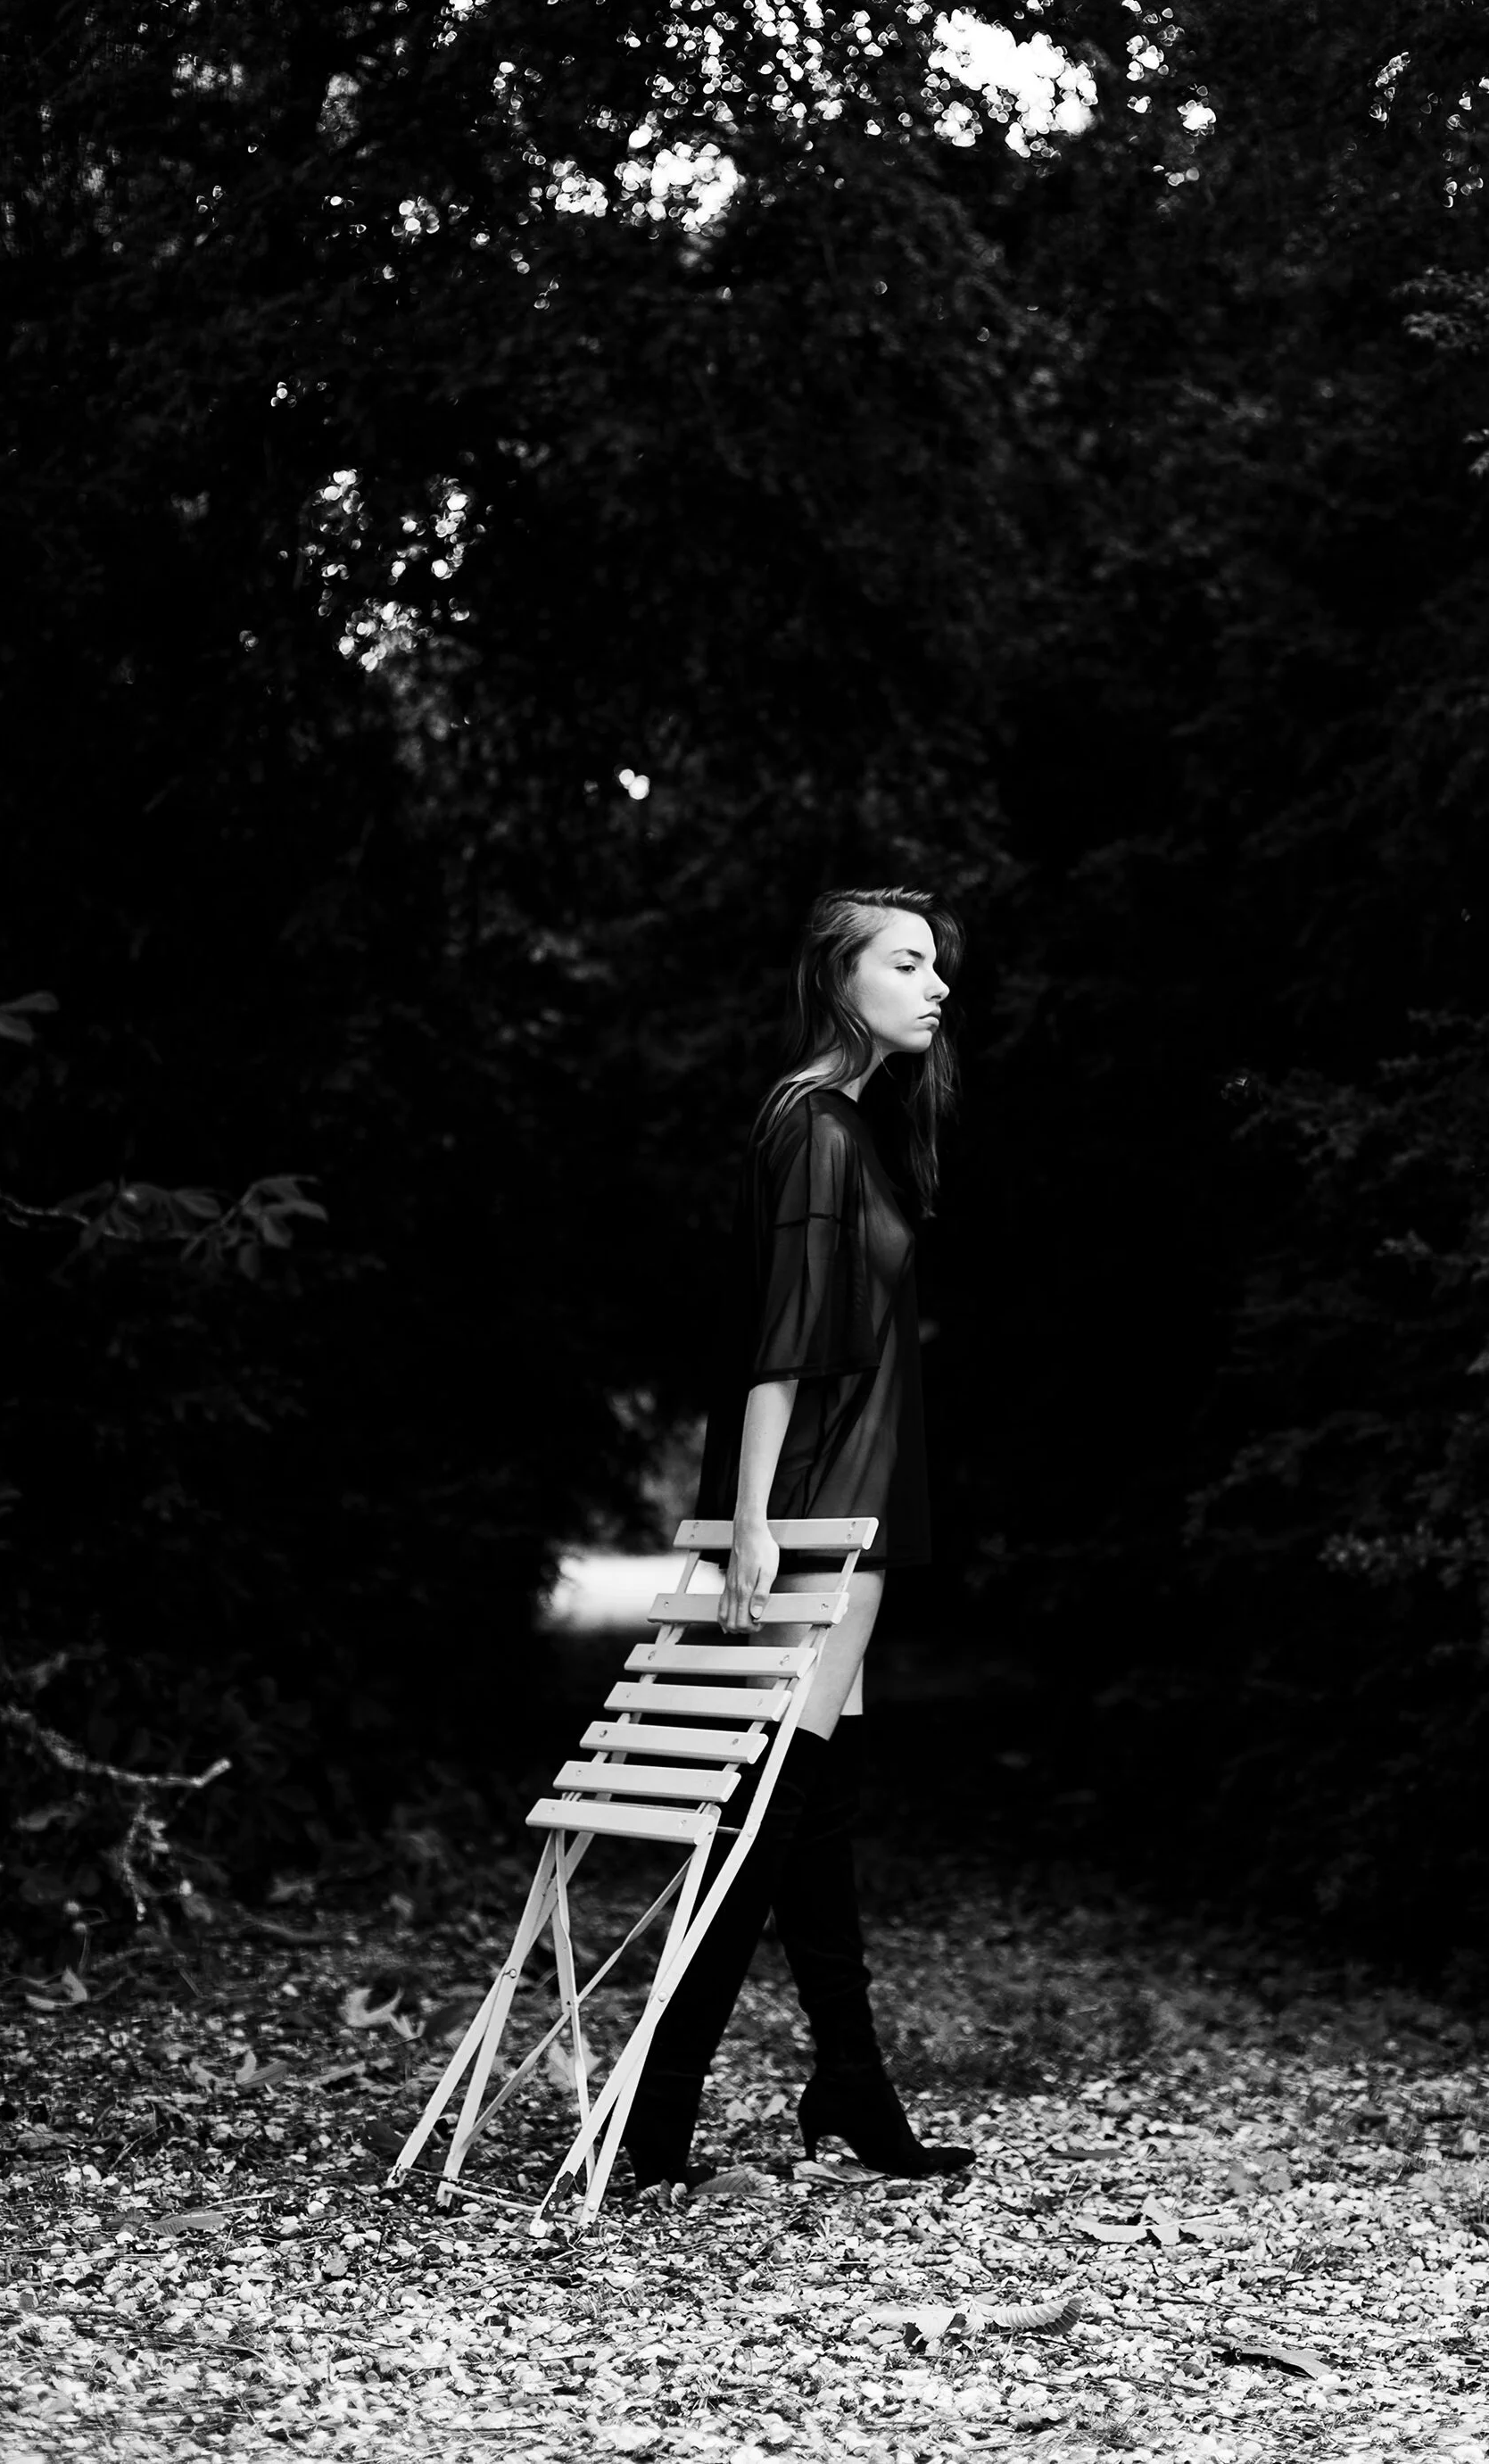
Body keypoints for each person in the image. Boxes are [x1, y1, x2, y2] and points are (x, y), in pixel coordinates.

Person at [621, 885, 975, 2193]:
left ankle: (854, 2089)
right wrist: (759, 1521)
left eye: (938, 963)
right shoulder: (819, 1128)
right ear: (842, 982)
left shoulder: (837, 1125)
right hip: (824, 1515)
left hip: (848, 1505)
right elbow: (781, 1340)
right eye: (908, 961)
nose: (936, 984)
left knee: (808, 1808)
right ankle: (657, 2123)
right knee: (766, 1813)